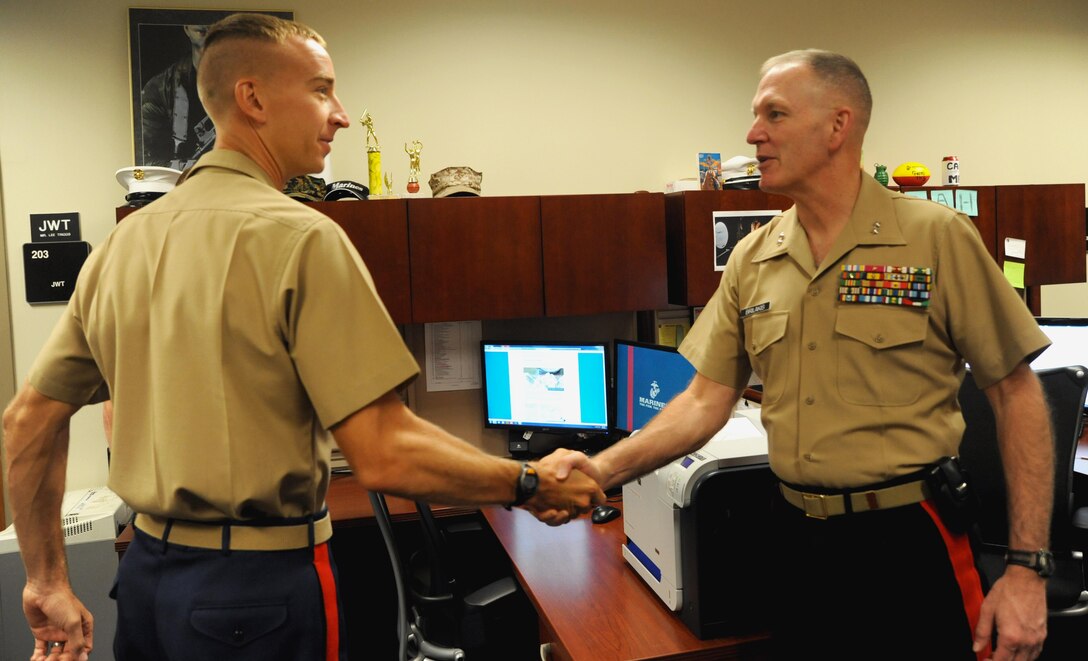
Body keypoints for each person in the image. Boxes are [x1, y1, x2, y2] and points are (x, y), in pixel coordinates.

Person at [3, 13, 602, 661]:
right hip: (255, 597)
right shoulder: (301, 237)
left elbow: (27, 422)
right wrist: (529, 482)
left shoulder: (123, 243)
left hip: (147, 584)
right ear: (252, 99)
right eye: (321, 89)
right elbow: (384, 453)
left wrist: (47, 579)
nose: (341, 114)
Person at [557, 49, 1053, 660]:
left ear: (837, 126)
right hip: (795, 540)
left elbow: (1016, 392)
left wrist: (1028, 568)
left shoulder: (935, 237)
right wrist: (600, 471)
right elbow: (705, 401)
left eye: (775, 114)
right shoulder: (755, 256)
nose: (752, 134)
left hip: (907, 539)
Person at [140, 24, 214, 169]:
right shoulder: (158, 90)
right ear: (186, 28)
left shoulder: (252, 85)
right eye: (202, 31)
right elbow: (150, 165)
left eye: (217, 30)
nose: (211, 38)